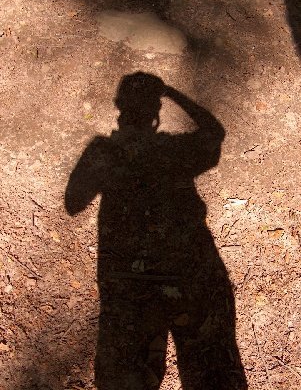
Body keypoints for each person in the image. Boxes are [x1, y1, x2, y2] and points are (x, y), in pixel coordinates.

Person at [65, 72, 247, 389]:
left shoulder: (104, 152)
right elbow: (215, 132)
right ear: (156, 115)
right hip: (180, 274)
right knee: (206, 369)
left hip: (125, 279)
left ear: (120, 109)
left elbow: (73, 203)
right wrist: (173, 93)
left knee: (128, 378)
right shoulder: (171, 151)